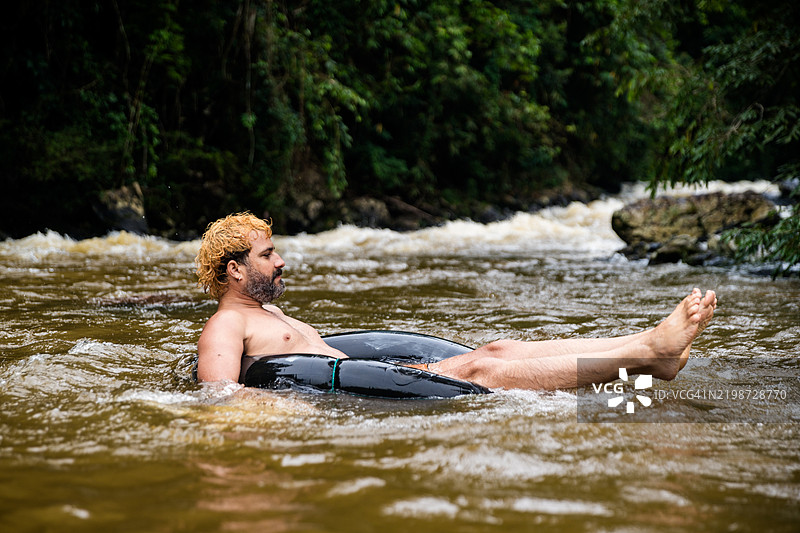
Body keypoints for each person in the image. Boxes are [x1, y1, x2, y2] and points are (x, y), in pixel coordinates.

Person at [196, 213, 717, 390]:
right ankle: (648, 354)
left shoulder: (266, 313)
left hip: (364, 376)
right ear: (235, 269)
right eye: (268, 255)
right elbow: (220, 395)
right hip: (352, 398)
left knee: (497, 349)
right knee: (479, 371)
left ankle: (650, 348)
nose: (281, 261)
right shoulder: (224, 327)